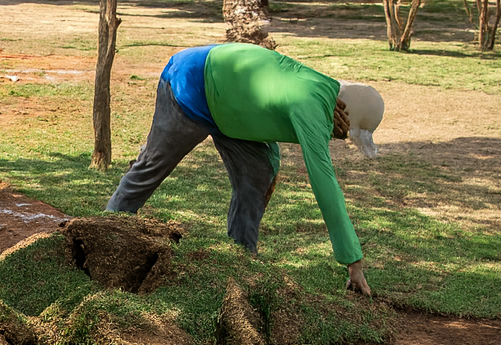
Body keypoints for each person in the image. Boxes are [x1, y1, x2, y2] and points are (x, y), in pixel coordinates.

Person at [107, 43, 383, 296]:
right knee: (151, 168)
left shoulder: (325, 93)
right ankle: (105, 234)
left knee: (258, 173)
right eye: (349, 136)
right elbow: (325, 183)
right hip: (192, 84)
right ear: (347, 118)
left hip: (234, 109)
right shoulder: (311, 109)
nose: (342, 139)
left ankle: (240, 259)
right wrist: (353, 260)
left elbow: (277, 102)